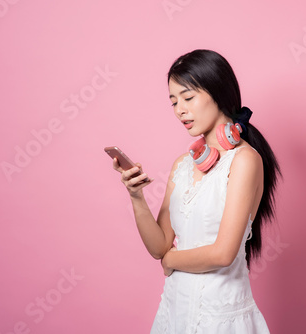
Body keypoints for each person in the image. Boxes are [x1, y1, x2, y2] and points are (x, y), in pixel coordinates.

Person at [112, 49, 282, 333]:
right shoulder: (182, 164)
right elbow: (159, 246)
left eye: (188, 98)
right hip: (174, 312)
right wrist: (136, 197)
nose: (180, 110)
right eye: (174, 102)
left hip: (220, 319)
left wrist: (172, 260)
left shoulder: (245, 161)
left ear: (219, 93)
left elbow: (223, 253)